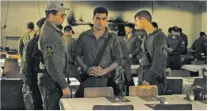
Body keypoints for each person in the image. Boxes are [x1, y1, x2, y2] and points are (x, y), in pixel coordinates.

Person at [74, 7, 122, 97]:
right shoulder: (84, 36)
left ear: (107, 20)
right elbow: (76, 55)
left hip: (106, 81)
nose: (100, 22)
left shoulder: (113, 38)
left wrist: (104, 71)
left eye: (104, 19)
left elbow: (118, 59)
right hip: (87, 80)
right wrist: (86, 68)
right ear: (93, 18)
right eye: (98, 18)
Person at [37, 1, 71, 109]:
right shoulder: (50, 35)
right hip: (52, 82)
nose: (64, 17)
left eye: (64, 15)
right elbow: (52, 64)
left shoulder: (51, 31)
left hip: (53, 80)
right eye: (62, 15)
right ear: (51, 16)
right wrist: (64, 86)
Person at [134, 10, 167, 95]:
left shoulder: (159, 36)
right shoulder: (146, 36)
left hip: (153, 77)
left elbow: (159, 60)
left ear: (143, 20)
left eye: (137, 20)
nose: (136, 23)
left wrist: (148, 79)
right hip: (143, 74)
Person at [21, 18, 46, 110]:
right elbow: (27, 65)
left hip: (46, 83)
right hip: (35, 82)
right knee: (37, 105)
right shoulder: (32, 44)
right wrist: (30, 85)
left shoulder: (49, 43)